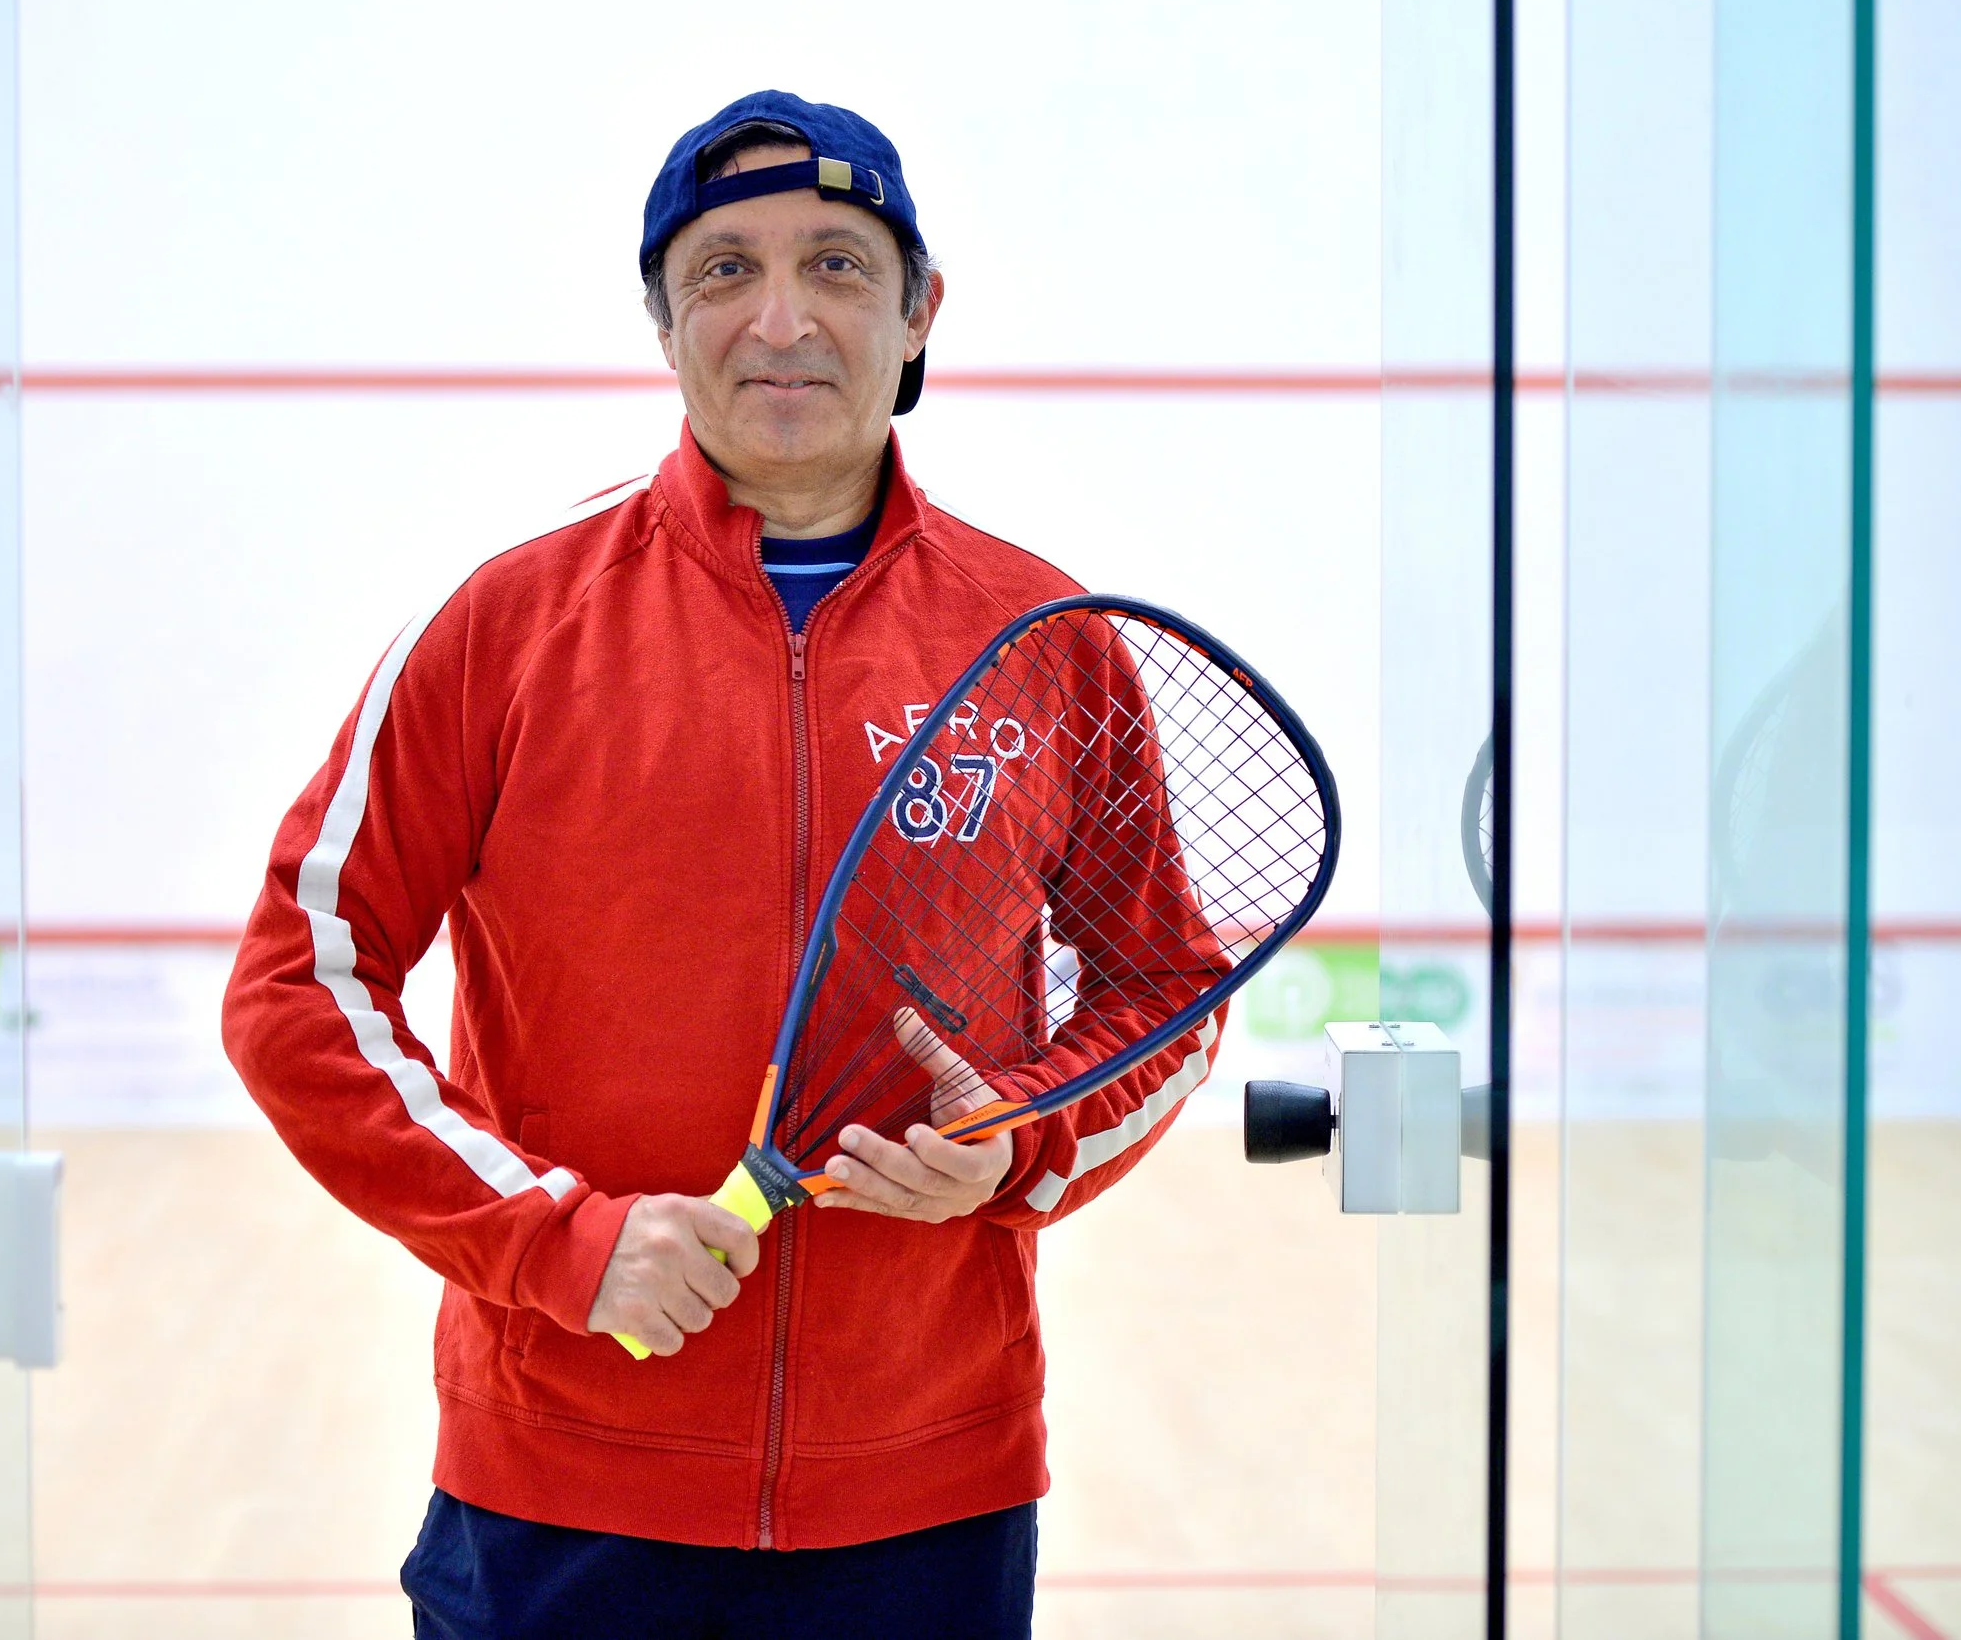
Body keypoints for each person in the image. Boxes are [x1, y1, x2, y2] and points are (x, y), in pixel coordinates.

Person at [223, 90, 1223, 1639]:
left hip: (929, 1507)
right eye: (722, 271)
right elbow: (297, 983)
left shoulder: (1049, 643)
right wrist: (554, 1238)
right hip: (561, 1499)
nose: (780, 318)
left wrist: (1023, 1139)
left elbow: (1167, 984)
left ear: (918, 313)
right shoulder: (504, 627)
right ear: (661, 319)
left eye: (836, 264)